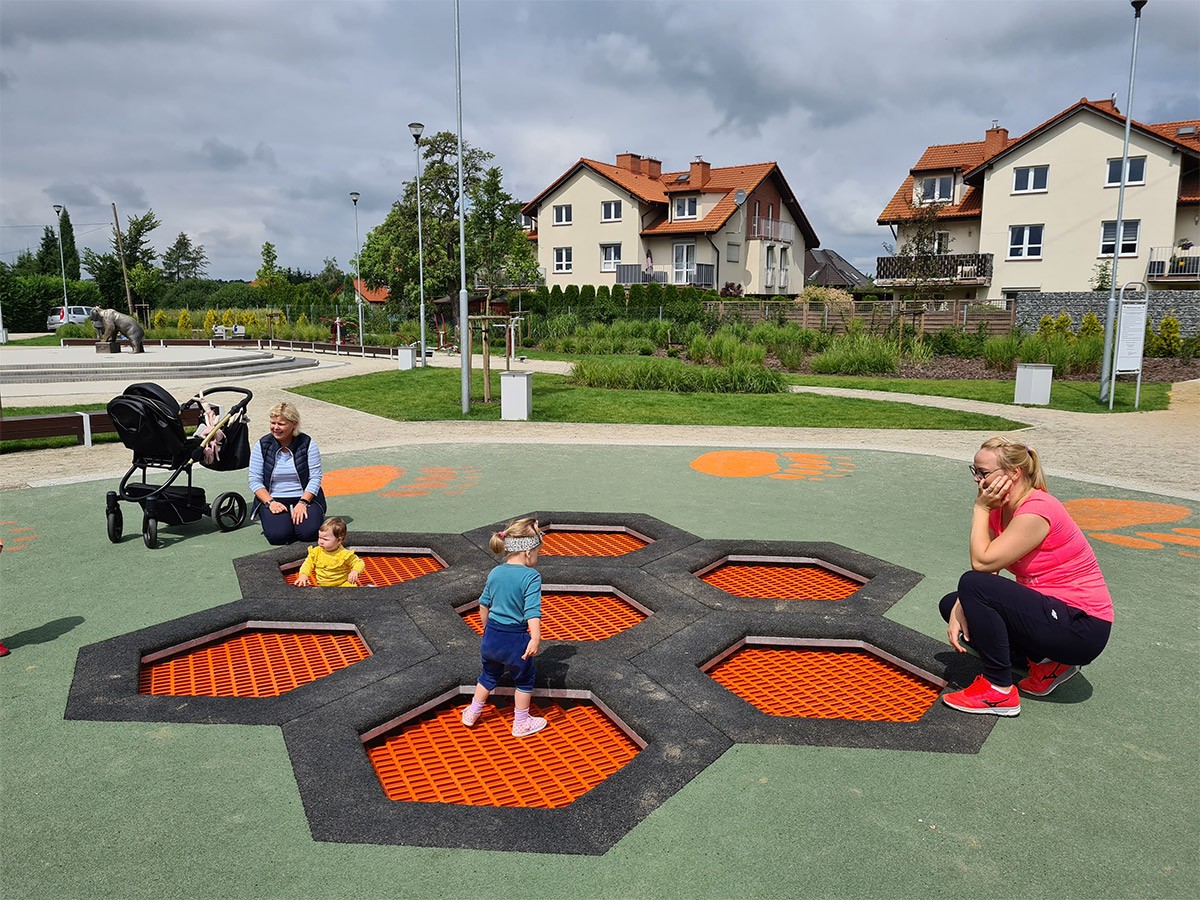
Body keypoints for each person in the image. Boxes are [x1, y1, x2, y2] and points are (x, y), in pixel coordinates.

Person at [940, 436, 1114, 717]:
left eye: (984, 473)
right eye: (974, 472)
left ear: (1014, 473)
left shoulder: (1037, 510)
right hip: (1053, 616)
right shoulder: (1002, 509)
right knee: (952, 604)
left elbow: (982, 562)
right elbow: (992, 568)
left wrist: (980, 508)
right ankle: (1050, 663)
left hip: (1082, 627)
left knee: (972, 585)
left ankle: (998, 690)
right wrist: (961, 605)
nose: (977, 480)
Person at [461, 517, 547, 737]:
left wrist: (487, 629)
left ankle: (472, 711)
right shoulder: (531, 576)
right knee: (525, 678)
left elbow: (483, 604)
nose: (537, 556)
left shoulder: (496, 572)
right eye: (538, 552)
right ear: (528, 552)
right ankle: (521, 723)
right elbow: (532, 611)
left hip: (492, 635)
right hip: (515, 639)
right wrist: (535, 638)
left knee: (488, 674)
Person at [248, 401, 326, 545]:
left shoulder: (308, 444)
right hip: (274, 498)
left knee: (309, 533)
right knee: (279, 536)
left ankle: (304, 519)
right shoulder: (262, 445)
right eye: (273, 423)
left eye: (281, 424)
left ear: (294, 424)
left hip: (304, 497)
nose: (276, 428)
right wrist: (270, 502)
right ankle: (285, 522)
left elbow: (315, 478)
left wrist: (303, 502)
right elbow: (254, 480)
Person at [294, 517, 365, 588]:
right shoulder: (316, 552)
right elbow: (307, 564)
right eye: (319, 537)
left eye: (325, 539)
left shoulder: (344, 554)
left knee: (351, 589)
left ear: (338, 540)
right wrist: (303, 575)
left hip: (343, 584)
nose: (321, 542)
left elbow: (359, 563)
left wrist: (355, 571)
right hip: (323, 586)